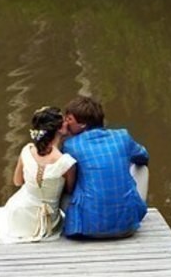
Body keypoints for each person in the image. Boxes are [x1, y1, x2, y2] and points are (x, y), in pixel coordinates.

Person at [0, 107, 76, 264]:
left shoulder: (27, 151)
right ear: (58, 129)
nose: (66, 121)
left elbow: (17, 181)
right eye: (63, 120)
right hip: (47, 223)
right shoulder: (67, 162)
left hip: (19, 215)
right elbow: (70, 190)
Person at [60, 95, 149, 239]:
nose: (64, 123)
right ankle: (130, 212)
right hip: (127, 228)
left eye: (69, 119)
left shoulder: (70, 145)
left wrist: (62, 137)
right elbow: (144, 156)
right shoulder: (122, 136)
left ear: (82, 124)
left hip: (86, 230)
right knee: (141, 167)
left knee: (61, 174)